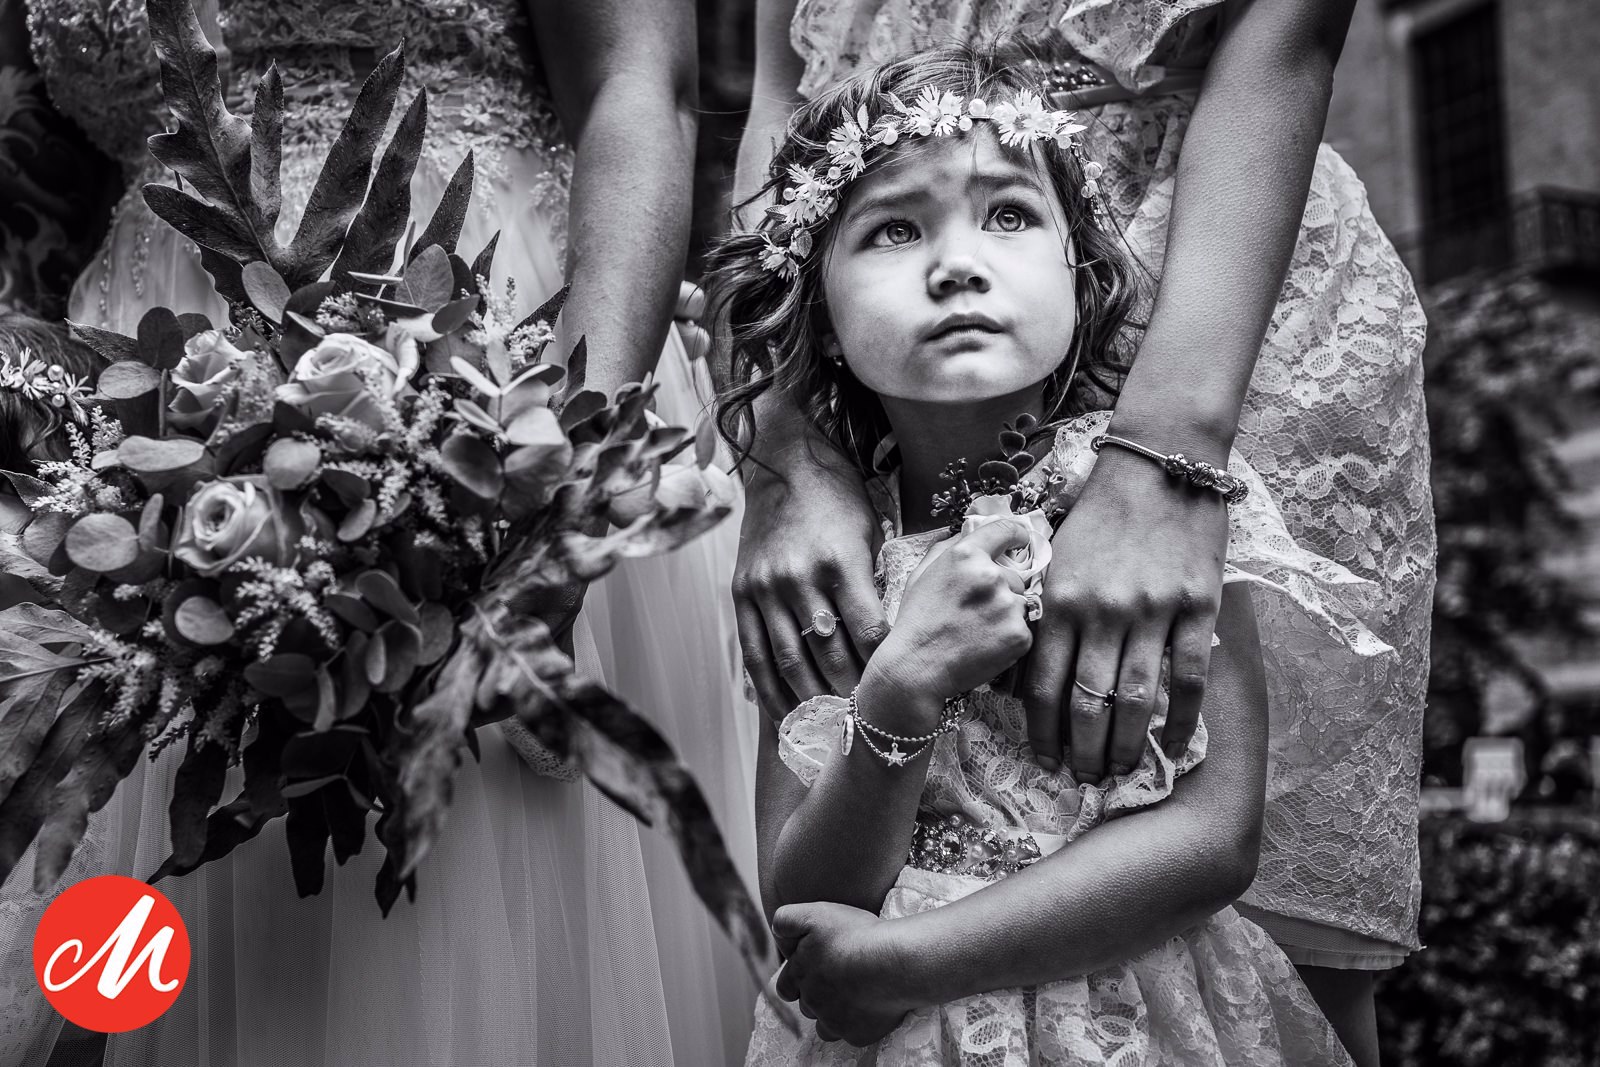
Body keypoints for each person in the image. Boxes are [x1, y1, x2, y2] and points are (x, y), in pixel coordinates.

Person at [16, 0, 756, 1063]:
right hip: (140, 395)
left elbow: (636, 84)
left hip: (480, 351)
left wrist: (565, 465)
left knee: (460, 874)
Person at [730, 4, 1434, 1062]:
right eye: (893, 231)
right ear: (817, 321)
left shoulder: (1179, 506)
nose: (956, 264)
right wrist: (898, 696)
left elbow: (1214, 839)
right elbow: (797, 888)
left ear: (1085, 277)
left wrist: (918, 958)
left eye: (1009, 217)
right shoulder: (836, 564)